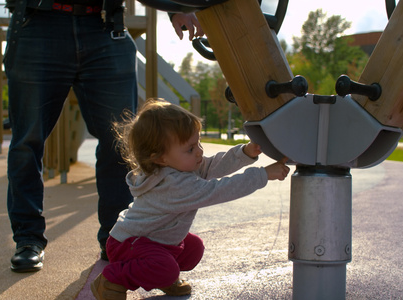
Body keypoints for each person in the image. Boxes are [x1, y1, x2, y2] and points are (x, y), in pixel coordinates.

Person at [3, 0, 204, 273]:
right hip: (38, 22)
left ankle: (116, 238)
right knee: (27, 141)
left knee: (121, 143)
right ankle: (27, 239)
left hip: (105, 24)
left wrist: (173, 5)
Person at [90, 99, 290, 300]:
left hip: (155, 241)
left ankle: (162, 275)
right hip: (128, 244)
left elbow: (213, 166)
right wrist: (263, 174)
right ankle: (113, 279)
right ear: (160, 158)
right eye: (190, 148)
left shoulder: (181, 166)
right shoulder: (173, 185)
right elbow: (220, 189)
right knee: (166, 268)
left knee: (193, 248)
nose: (200, 152)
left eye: (198, 143)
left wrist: (244, 153)